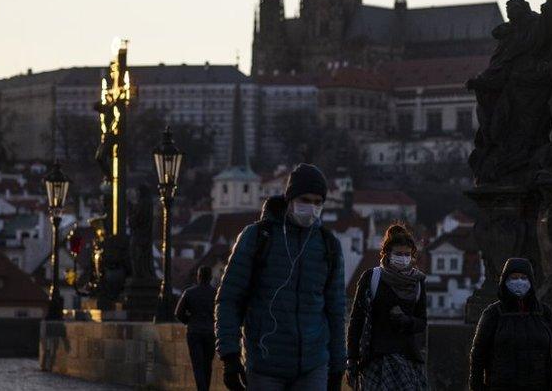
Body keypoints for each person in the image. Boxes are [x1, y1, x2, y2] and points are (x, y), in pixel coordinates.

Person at [215, 163, 346, 391]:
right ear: (290, 199)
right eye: (305, 200)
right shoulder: (258, 237)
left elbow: (335, 310)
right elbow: (229, 299)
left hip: (313, 364)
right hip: (266, 364)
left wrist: (337, 365)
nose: (312, 208)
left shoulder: (328, 245)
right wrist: (229, 356)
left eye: (318, 202)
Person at [346, 223, 428, 390]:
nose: (403, 258)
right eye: (399, 254)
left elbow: (422, 321)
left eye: (407, 254)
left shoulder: (417, 282)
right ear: (387, 254)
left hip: (407, 358)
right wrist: (352, 358)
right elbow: (356, 321)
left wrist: (406, 321)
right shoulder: (372, 278)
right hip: (376, 358)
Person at [469, 258, 552, 391]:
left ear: (531, 281)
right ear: (505, 281)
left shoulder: (543, 313)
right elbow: (478, 355)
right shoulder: (493, 313)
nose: (519, 282)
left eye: (523, 277)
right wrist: (477, 386)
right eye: (514, 278)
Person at [176, 265, 217, 391]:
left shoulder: (189, 293)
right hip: (210, 332)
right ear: (210, 278)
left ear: (198, 277)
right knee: (207, 364)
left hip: (194, 332)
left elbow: (178, 313)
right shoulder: (216, 293)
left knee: (198, 364)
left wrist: (189, 321)